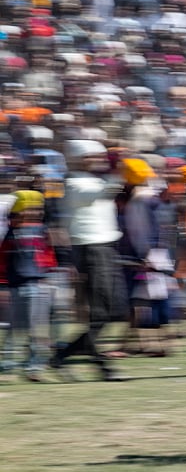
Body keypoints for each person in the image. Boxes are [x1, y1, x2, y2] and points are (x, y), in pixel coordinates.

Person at [50, 140, 128, 382]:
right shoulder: (73, 183)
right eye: (92, 156)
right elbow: (103, 192)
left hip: (105, 248)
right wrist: (119, 169)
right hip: (91, 249)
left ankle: (62, 356)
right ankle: (100, 367)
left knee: (115, 311)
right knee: (100, 314)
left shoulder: (94, 180)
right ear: (78, 158)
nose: (99, 160)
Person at [0, 190, 57, 382]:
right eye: (28, 210)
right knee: (14, 328)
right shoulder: (10, 233)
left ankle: (34, 367)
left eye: (36, 210)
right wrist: (3, 285)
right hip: (16, 286)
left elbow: (48, 254)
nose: (32, 213)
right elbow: (3, 261)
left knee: (36, 329)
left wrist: (49, 273)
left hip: (38, 284)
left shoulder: (41, 230)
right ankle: (7, 363)